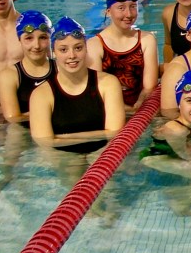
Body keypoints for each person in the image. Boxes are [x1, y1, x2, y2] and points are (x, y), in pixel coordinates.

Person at [29, 17, 126, 153]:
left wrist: (62, 137)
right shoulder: (41, 95)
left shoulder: (108, 84)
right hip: (62, 154)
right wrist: (98, 134)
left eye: (78, 48)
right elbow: (45, 142)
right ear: (53, 53)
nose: (72, 55)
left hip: (103, 152)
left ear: (86, 49)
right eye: (63, 50)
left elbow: (115, 133)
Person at [87, 0, 159, 112]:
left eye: (133, 6)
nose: (129, 14)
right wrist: (125, 110)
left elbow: (149, 87)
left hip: (141, 110)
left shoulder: (146, 40)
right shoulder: (94, 45)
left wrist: (139, 105)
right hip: (108, 110)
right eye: (121, 8)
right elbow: (97, 91)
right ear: (108, 11)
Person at [0, 10, 56, 124]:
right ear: (19, 39)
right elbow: (13, 118)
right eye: (29, 38)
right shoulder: (9, 75)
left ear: (50, 39)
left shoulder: (61, 68)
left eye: (43, 38)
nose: (37, 45)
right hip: (23, 131)